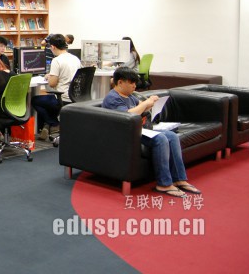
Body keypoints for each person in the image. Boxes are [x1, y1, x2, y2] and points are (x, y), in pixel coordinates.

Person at [102, 67, 201, 198]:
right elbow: (127, 115)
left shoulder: (130, 96)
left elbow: (140, 107)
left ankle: (179, 179)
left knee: (172, 136)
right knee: (160, 139)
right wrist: (145, 104)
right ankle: (164, 184)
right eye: (131, 83)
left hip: (139, 130)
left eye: (135, 83)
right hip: (124, 133)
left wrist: (151, 103)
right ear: (120, 82)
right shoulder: (112, 98)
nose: (134, 86)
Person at [31, 34, 81, 140]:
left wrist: (49, 77)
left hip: (63, 97)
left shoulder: (57, 60)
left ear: (53, 47)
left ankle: (53, 123)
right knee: (48, 102)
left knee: (35, 100)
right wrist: (53, 75)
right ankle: (48, 126)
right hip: (76, 96)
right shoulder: (75, 58)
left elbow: (52, 84)